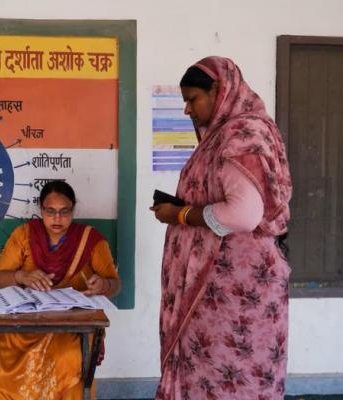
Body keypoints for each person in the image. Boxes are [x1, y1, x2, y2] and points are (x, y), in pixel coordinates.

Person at [150, 56, 292, 399]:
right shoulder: (224, 135)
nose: (187, 110)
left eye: (192, 99)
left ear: (219, 90)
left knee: (230, 377)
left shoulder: (244, 134)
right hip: (216, 289)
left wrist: (180, 215)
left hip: (232, 291)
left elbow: (243, 214)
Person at [0, 180, 121, 399]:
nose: (57, 218)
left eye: (64, 212)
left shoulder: (90, 240)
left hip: (71, 327)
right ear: (40, 209)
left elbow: (115, 284)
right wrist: (21, 276)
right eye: (50, 211)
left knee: (68, 362)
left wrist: (103, 285)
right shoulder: (24, 235)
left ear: (73, 210)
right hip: (23, 323)